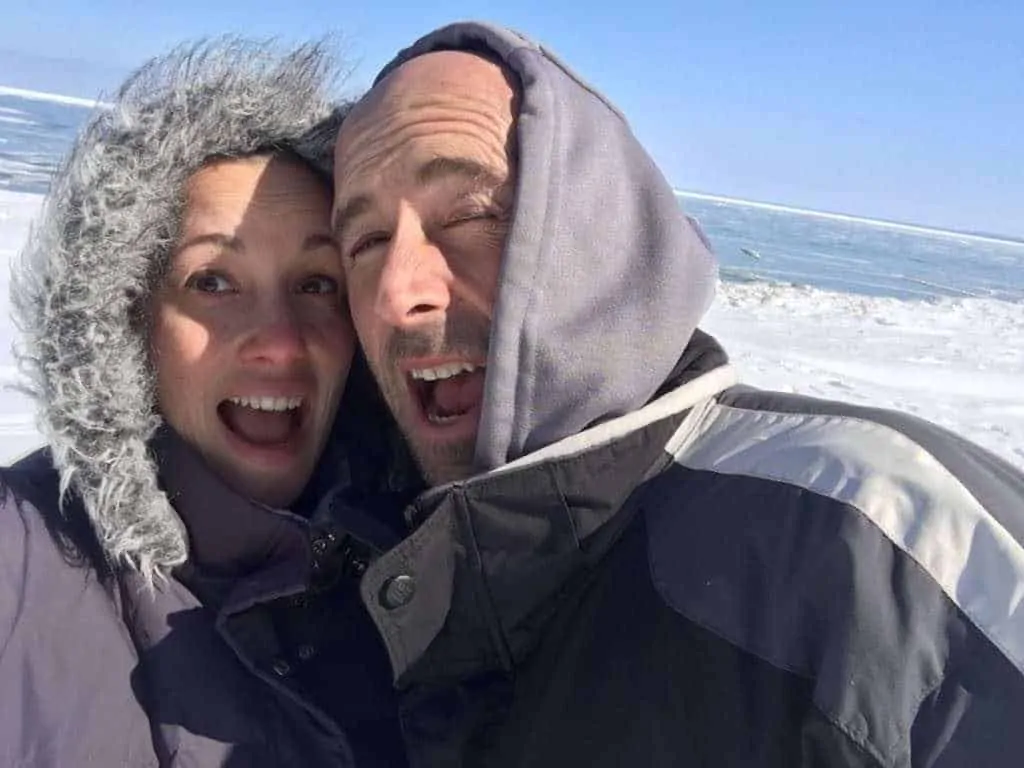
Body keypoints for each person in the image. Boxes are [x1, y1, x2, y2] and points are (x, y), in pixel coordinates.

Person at [330, 21, 1024, 766]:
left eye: (471, 214)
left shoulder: (875, 534)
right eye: (363, 243)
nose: (396, 293)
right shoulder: (363, 560)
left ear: (599, 232)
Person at [0, 39, 408, 766]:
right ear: (128, 316)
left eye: (318, 284)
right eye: (214, 281)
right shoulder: (18, 563)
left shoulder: (423, 568)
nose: (281, 342)